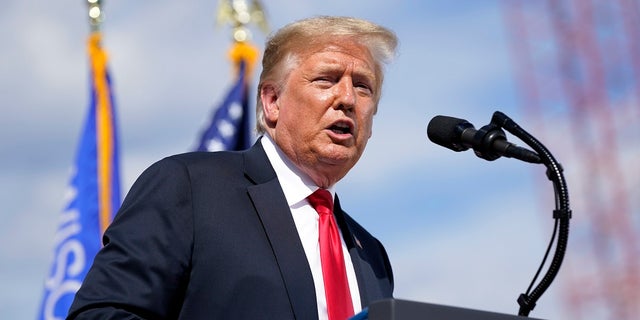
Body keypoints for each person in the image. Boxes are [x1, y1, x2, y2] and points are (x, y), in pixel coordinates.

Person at [67, 15, 398, 320]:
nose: (347, 99)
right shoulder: (189, 188)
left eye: (362, 86)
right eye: (326, 80)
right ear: (271, 102)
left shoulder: (372, 255)